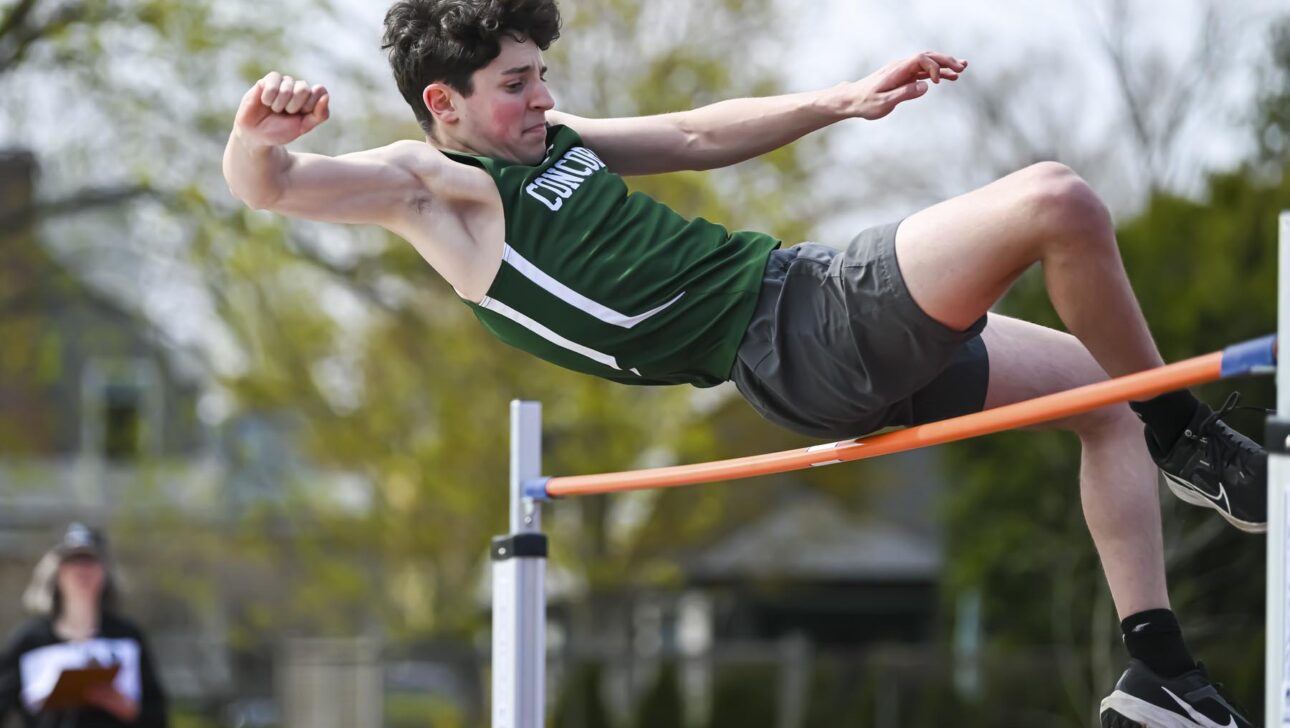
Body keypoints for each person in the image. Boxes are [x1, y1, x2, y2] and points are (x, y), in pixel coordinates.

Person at [221, 1, 1264, 725]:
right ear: (443, 105)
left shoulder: (556, 141)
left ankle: (1159, 672)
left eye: (541, 76)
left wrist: (841, 99)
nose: (541, 98)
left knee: (1104, 399)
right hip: (795, 331)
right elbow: (271, 185)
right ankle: (1197, 440)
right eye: (514, 84)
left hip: (804, 311)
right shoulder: (433, 188)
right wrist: (256, 134)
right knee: (1056, 201)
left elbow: (688, 133)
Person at [0, 524, 168, 727]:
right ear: (57, 571)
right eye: (73, 561)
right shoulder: (30, 640)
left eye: (90, 561)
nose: (82, 569)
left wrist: (124, 706)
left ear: (105, 572)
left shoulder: (126, 637)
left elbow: (158, 715)